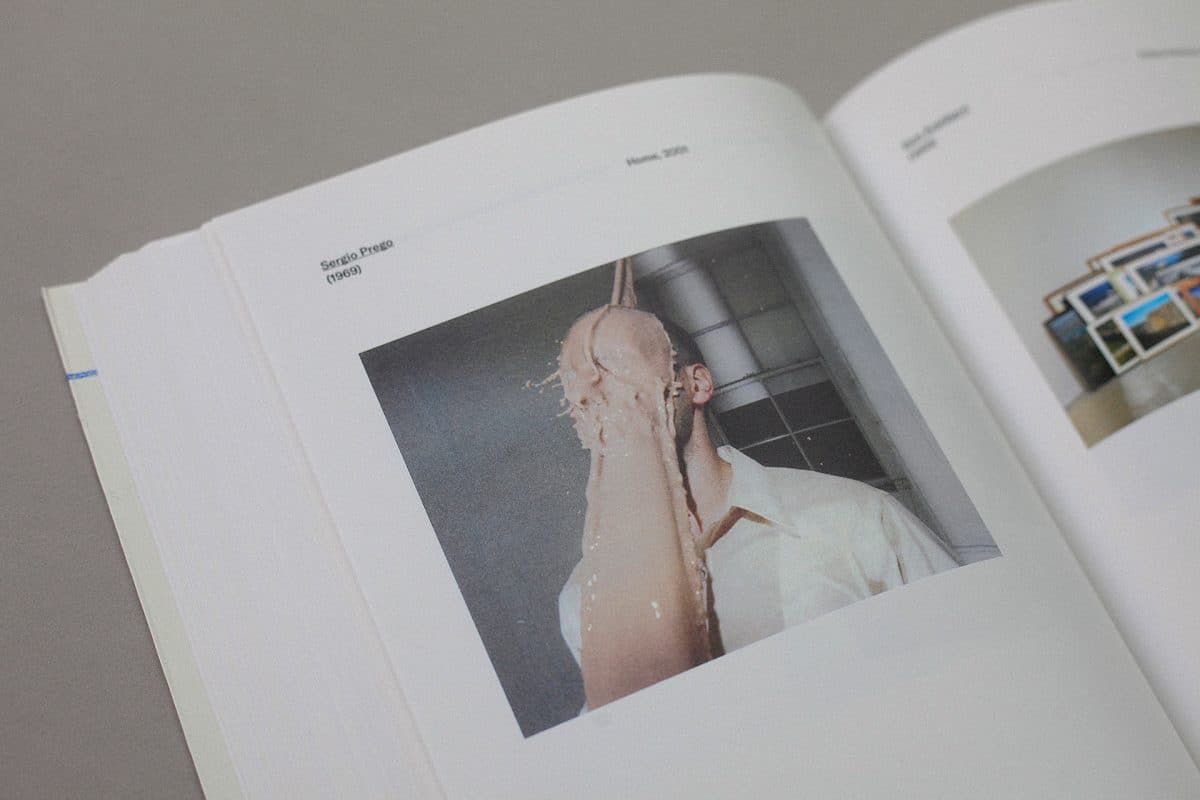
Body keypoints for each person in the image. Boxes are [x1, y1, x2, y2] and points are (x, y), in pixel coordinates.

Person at [555, 306, 958, 710]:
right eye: (581, 394)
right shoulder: (585, 597)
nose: (601, 402)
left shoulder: (854, 518)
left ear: (697, 384)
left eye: (618, 372)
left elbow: (971, 655)